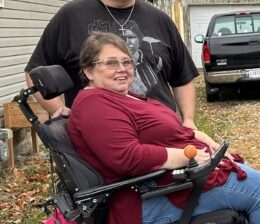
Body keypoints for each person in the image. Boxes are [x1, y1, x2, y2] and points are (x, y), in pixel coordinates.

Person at [66, 32, 260, 224]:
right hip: (145, 201)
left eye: (126, 62)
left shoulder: (117, 97)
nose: (122, 69)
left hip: (162, 184)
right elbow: (125, 157)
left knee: (248, 178)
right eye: (111, 63)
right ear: (89, 70)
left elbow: (154, 132)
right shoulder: (94, 106)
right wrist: (185, 155)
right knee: (255, 189)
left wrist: (196, 136)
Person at [25, 0, 198, 130]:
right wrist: (59, 109)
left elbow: (182, 77)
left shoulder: (160, 19)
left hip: (162, 132)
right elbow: (35, 72)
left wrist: (188, 120)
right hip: (102, 143)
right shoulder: (71, 16)